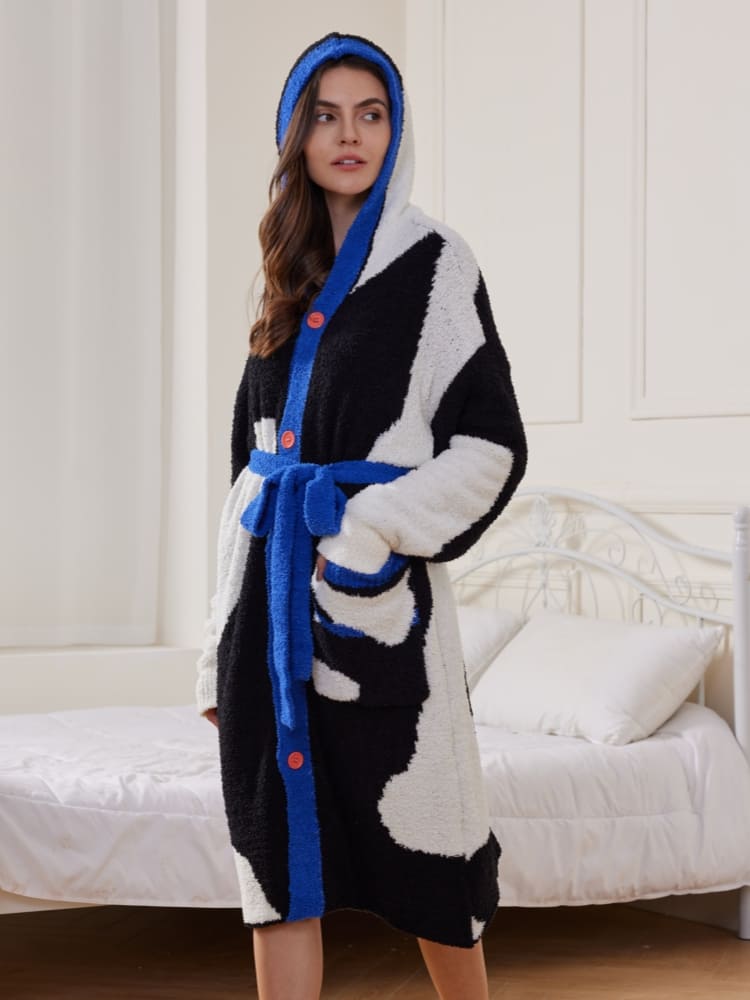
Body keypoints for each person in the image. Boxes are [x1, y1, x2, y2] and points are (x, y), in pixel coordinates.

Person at [196, 31, 528, 1000]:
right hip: (267, 619)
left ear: (396, 129)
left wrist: (369, 531)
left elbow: (491, 446)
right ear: (296, 136)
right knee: (276, 865)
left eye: (371, 114)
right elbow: (245, 476)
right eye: (327, 116)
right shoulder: (283, 272)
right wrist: (218, 645)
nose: (350, 136)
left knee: (429, 850)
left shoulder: (437, 264)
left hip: (375, 614)